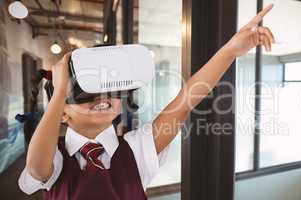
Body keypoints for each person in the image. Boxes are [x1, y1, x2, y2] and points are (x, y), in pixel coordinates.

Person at [18, 4, 275, 200]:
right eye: (83, 91)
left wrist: (230, 50)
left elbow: (185, 100)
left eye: (110, 87)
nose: (103, 97)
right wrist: (61, 88)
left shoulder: (137, 149)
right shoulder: (56, 158)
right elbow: (38, 168)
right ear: (61, 113)